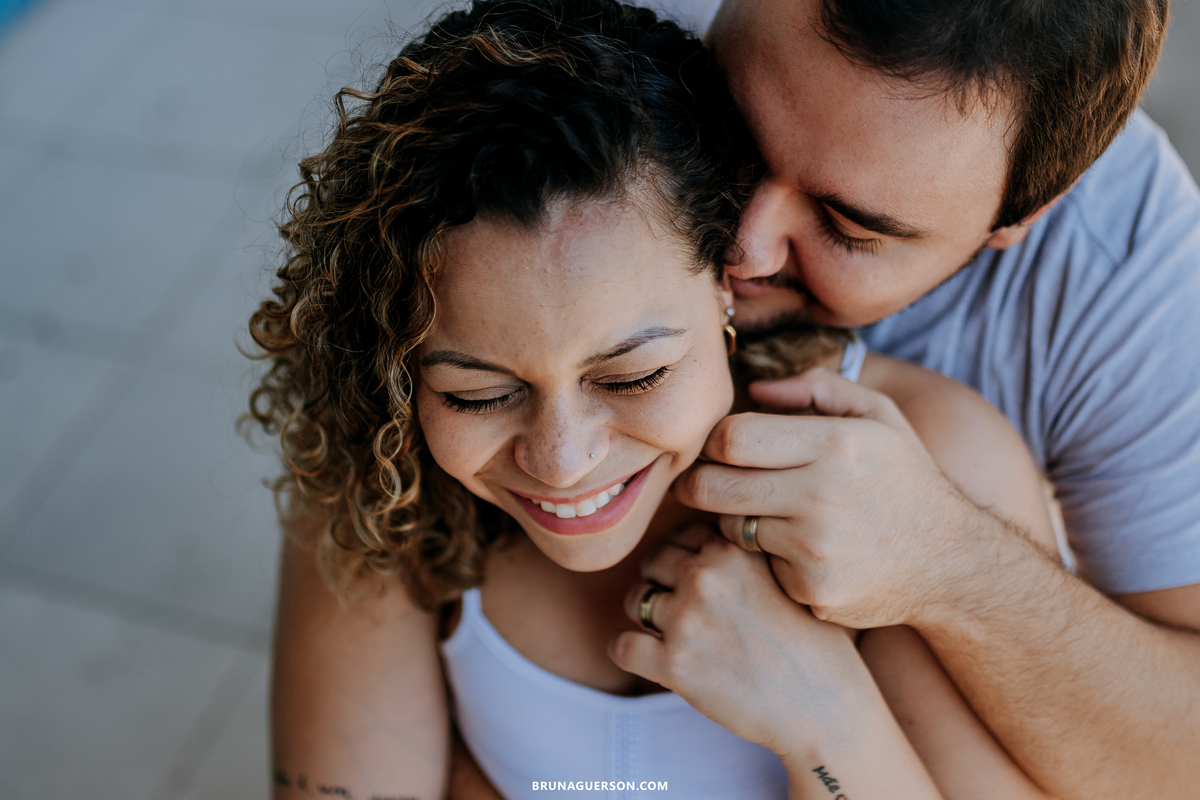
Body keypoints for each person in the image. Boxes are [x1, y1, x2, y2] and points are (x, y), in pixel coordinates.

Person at [250, 1, 1067, 798]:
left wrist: (825, 721)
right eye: (477, 393)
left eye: (632, 376)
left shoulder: (932, 463)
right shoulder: (378, 471)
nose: (562, 461)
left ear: (727, 283)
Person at [634, 0, 1200, 797]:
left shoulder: (1126, 269)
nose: (743, 246)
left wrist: (951, 565)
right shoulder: (595, 45)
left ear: (1027, 212)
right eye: (732, 132)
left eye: (848, 228)